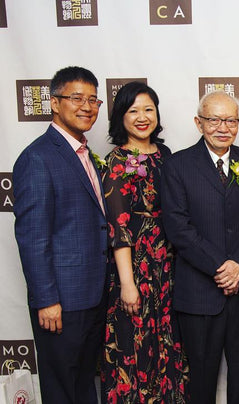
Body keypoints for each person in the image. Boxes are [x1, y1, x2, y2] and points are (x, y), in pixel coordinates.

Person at [161, 90, 239, 404]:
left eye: (231, 120)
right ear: (199, 123)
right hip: (200, 291)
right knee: (202, 379)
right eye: (214, 120)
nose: (223, 127)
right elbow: (178, 228)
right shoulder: (178, 165)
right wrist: (221, 268)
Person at [13, 66, 107, 403]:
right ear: (55, 103)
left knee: (83, 384)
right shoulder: (38, 157)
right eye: (77, 98)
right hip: (61, 302)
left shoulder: (82, 153)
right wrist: (47, 299)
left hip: (91, 296)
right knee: (62, 388)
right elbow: (33, 237)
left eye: (93, 100)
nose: (87, 107)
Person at [100, 82, 187, 403]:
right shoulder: (117, 161)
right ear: (120, 117)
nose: (142, 117)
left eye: (148, 109)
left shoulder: (166, 156)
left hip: (170, 267)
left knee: (167, 346)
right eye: (132, 110)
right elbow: (119, 229)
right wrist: (128, 283)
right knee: (135, 348)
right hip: (136, 270)